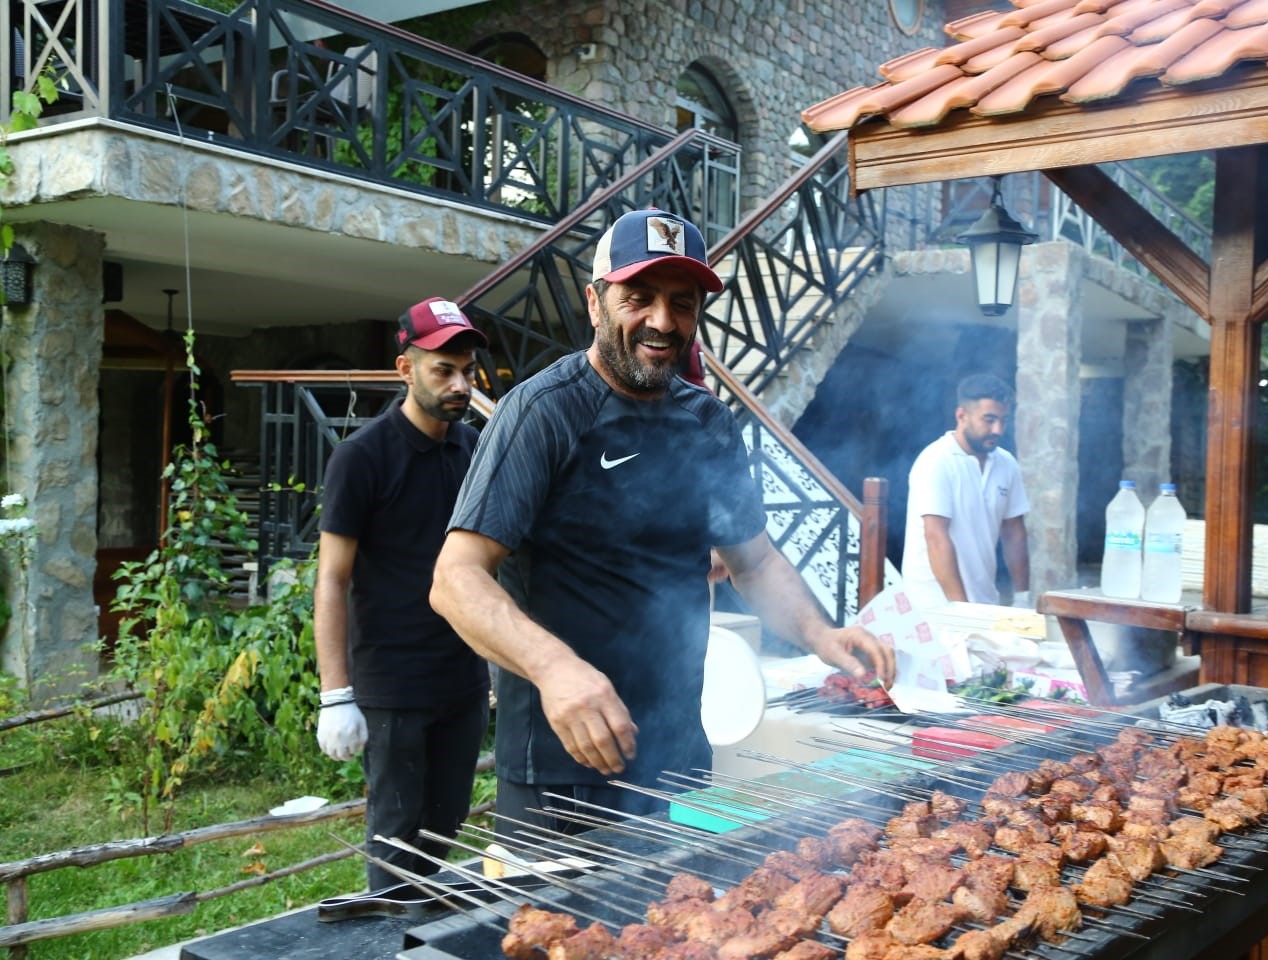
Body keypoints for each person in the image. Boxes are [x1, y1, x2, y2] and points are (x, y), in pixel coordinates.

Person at [430, 208, 895, 839]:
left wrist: (821, 634)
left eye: (682, 303)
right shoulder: (542, 412)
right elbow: (456, 579)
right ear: (596, 303)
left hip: (678, 756)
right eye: (638, 297)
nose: (661, 320)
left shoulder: (708, 423)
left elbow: (753, 561)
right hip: (563, 768)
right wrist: (555, 669)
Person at [313, 297, 491, 890]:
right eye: (443, 370)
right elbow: (332, 579)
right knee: (396, 836)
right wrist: (335, 694)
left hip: (462, 679)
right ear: (404, 369)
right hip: (392, 685)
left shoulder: (473, 452)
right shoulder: (360, 458)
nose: (460, 384)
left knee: (446, 827)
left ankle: (426, 942)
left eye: (467, 370)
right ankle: (390, 941)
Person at [901, 372, 1031, 609]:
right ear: (962, 415)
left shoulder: (1007, 463)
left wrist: (1022, 596)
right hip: (934, 606)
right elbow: (936, 537)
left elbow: (1014, 531)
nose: (998, 429)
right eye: (989, 420)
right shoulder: (936, 460)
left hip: (984, 601)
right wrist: (961, 610)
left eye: (1004, 420)